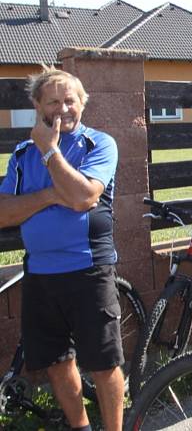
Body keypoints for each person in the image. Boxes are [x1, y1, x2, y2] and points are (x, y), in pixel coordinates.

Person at [0, 66, 123, 431]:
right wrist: (54, 195)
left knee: (103, 364)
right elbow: (4, 212)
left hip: (89, 270)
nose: (62, 108)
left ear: (82, 104)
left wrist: (51, 151)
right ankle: (81, 427)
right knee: (56, 361)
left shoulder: (99, 143)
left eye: (70, 100)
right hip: (39, 273)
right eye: (52, 101)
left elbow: (85, 197)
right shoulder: (22, 155)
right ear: (37, 105)